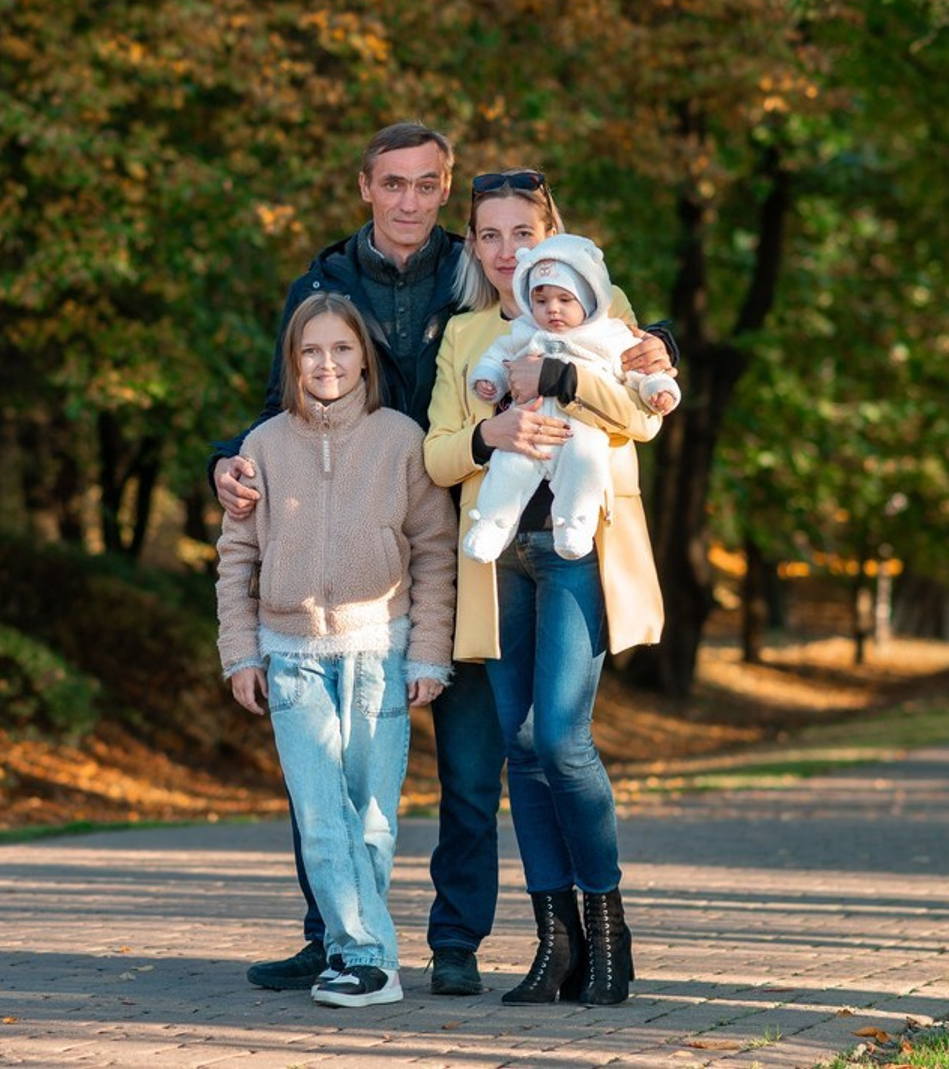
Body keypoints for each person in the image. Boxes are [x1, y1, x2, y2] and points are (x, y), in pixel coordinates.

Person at [211, 124, 676, 997]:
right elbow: (297, 407)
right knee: (363, 772)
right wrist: (223, 462)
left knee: (516, 757)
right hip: (438, 559)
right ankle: (356, 939)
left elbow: (630, 363)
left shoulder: (544, 296)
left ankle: (489, 939)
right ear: (366, 187)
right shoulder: (346, 289)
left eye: (428, 185)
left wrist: (656, 346)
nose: (411, 201)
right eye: (394, 184)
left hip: (534, 550)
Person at [424, 168, 669, 1006]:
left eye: (520, 234)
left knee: (561, 738)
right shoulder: (464, 336)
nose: (505, 252)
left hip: (578, 550)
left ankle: (609, 932)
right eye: (488, 236)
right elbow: (436, 454)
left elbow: (641, 417)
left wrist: (563, 381)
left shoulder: (603, 308)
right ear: (473, 245)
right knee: (520, 753)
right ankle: (554, 944)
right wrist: (490, 432)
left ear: (549, 235)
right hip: (498, 558)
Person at [215, 293, 455, 1008]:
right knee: (322, 820)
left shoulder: (400, 439)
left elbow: (436, 553)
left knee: (373, 820)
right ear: (293, 362)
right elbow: (234, 557)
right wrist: (239, 654)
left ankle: (360, 956)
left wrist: (430, 656)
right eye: (311, 351)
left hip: (381, 651)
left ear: (364, 358)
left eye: (341, 349)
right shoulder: (261, 447)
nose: (327, 363)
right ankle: (368, 959)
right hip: (291, 659)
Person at [464, 232, 680, 563]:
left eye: (565, 300)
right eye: (541, 301)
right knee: (507, 468)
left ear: (589, 299)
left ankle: (575, 525)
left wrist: (660, 390)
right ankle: (492, 526)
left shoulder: (609, 336)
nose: (552, 310)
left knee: (586, 464)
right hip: (528, 428)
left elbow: (641, 372)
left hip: (579, 429)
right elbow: (498, 355)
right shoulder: (525, 331)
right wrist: (488, 378)